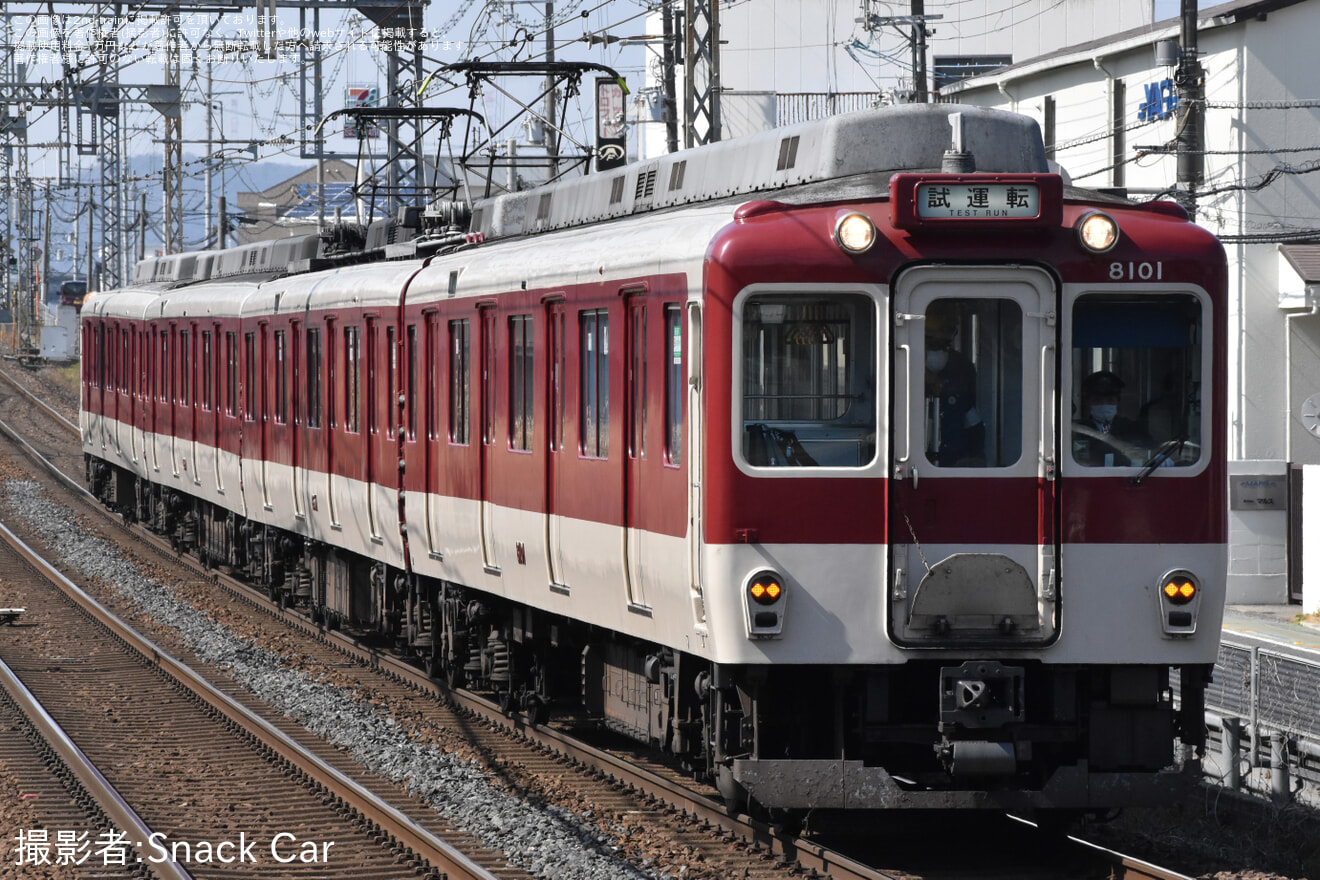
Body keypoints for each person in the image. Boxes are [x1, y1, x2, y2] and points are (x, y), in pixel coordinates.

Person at [925, 302, 985, 467]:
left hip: (954, 458)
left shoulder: (962, 367)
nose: (937, 351)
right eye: (931, 343)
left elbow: (973, 420)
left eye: (943, 345)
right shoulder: (902, 362)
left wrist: (976, 457)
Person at [1072, 370, 1151, 466]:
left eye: (1110, 401)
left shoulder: (1133, 429)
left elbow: (1149, 452)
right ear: (1088, 403)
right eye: (1097, 401)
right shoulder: (1078, 431)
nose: (1104, 405)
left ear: (1118, 402)